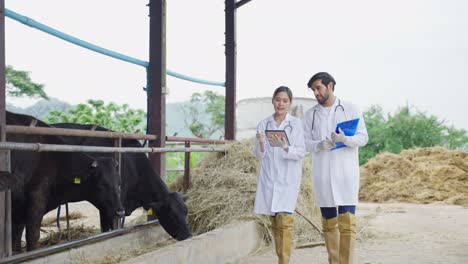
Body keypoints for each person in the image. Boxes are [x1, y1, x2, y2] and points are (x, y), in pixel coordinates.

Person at [302, 72, 368, 264]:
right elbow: (305, 143)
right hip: (322, 174)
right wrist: (319, 145)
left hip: (345, 174)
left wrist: (345, 139)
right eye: (313, 90)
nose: (316, 93)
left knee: (347, 223)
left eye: (318, 88)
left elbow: (363, 138)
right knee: (329, 223)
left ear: (330, 85)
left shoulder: (350, 108)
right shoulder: (310, 115)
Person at [253, 86, 306, 264]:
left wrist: (285, 146)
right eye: (278, 99)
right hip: (269, 178)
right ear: (273, 101)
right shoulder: (264, 124)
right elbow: (259, 155)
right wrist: (261, 142)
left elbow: (301, 152)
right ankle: (280, 258)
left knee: (285, 221)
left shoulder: (296, 124)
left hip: (288, 179)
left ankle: (284, 261)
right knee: (275, 222)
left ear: (290, 103)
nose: (280, 104)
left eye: (285, 101)